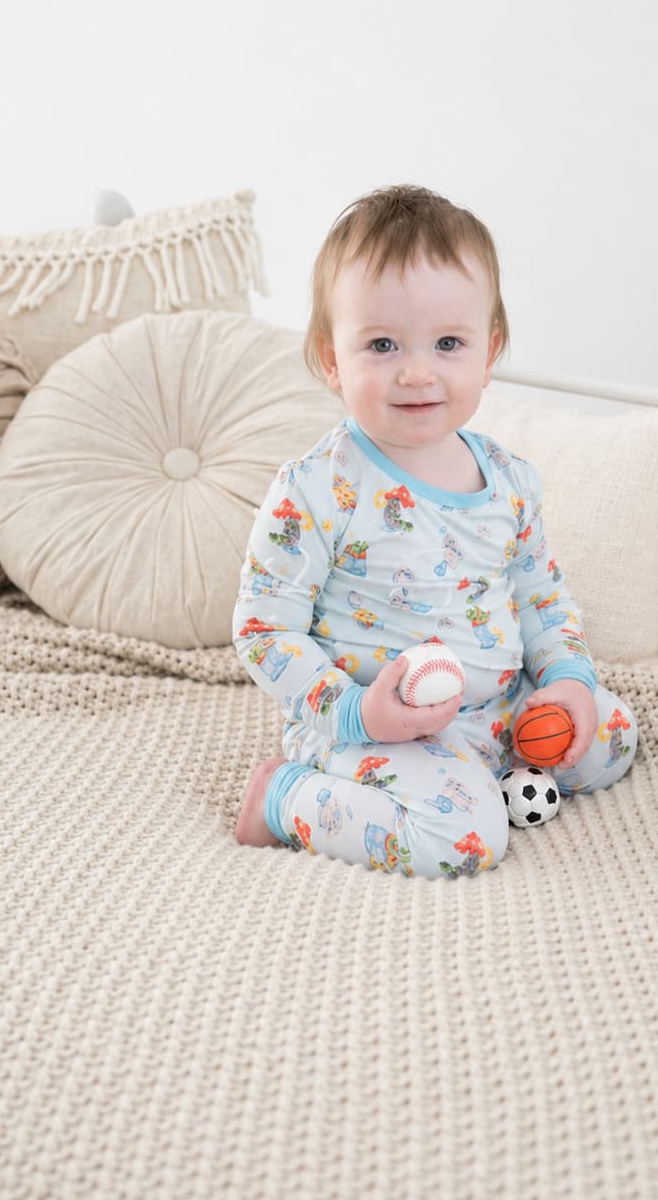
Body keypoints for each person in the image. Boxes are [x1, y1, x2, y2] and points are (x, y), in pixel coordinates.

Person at [232, 184, 637, 877]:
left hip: (497, 707)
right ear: (332, 358)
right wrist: (357, 713)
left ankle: (490, 769)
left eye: (449, 343)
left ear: (489, 351)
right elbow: (263, 630)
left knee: (612, 737)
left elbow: (542, 599)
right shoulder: (316, 488)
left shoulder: (510, 481)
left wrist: (567, 681)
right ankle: (285, 796)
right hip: (374, 725)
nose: (417, 372)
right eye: (382, 344)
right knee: (467, 842)